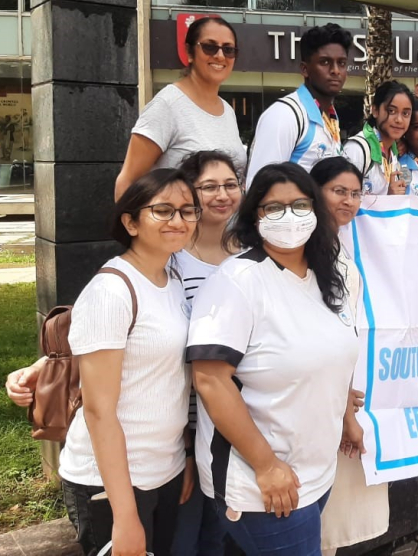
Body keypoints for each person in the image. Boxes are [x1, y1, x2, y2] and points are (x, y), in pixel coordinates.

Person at [187, 163, 362, 556]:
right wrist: (266, 466)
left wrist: (347, 417)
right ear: (254, 216)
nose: (289, 217)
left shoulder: (331, 274)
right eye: (273, 208)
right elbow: (211, 380)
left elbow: (340, 350)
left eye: (300, 205)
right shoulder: (237, 281)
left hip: (316, 468)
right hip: (258, 479)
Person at [61, 169, 201, 556]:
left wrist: (184, 455)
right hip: (110, 482)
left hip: (166, 470)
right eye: (163, 210)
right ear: (130, 221)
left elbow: (171, 381)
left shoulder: (171, 278)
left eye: (188, 211)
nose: (178, 221)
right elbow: (98, 409)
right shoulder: (112, 290)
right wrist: (124, 516)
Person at [309, 157, 390, 556]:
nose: (349, 201)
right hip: (323, 399)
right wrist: (345, 412)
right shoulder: (306, 252)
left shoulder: (339, 246)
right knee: (320, 515)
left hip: (348, 391)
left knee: (333, 518)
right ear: (315, 191)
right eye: (338, 191)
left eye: (356, 193)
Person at [173, 151, 244, 556]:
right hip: (184, 423)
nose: (222, 195)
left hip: (235, 425)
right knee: (186, 539)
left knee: (223, 537)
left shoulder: (251, 255)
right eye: (209, 186)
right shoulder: (172, 260)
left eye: (230, 184)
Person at [115, 17, 246, 199]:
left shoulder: (227, 111)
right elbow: (128, 181)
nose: (220, 55)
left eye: (228, 49)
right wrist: (132, 226)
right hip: (178, 225)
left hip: (225, 227)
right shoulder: (167, 105)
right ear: (189, 52)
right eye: (209, 46)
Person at [246, 24, 351, 183]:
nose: (335, 70)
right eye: (325, 62)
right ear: (305, 69)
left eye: (341, 63)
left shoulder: (330, 116)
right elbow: (259, 186)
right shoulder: (284, 115)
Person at [343, 80, 414, 196]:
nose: (399, 120)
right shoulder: (357, 149)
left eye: (405, 114)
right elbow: (343, 201)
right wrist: (388, 198)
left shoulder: (393, 154)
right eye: (391, 111)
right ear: (375, 110)